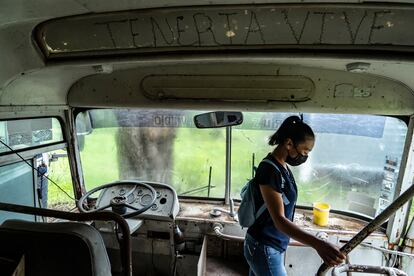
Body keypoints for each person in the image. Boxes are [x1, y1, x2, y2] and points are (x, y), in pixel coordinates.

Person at [244, 115, 345, 276]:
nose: (305, 156)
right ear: (289, 143)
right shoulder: (269, 170)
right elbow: (279, 220)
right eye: (304, 150)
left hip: (271, 245)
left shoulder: (282, 168)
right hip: (264, 247)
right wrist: (319, 244)